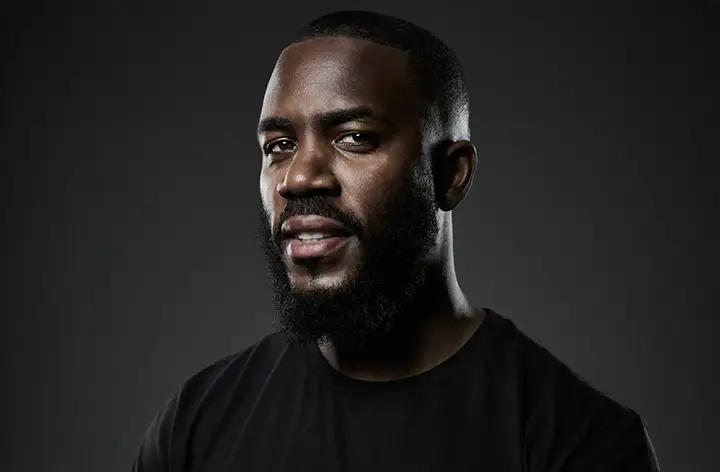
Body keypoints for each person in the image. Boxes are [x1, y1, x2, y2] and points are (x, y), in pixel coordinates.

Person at [132, 10, 660, 471]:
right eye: (279, 146)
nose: (298, 177)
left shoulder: (577, 441)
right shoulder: (196, 424)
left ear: (451, 174)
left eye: (354, 138)